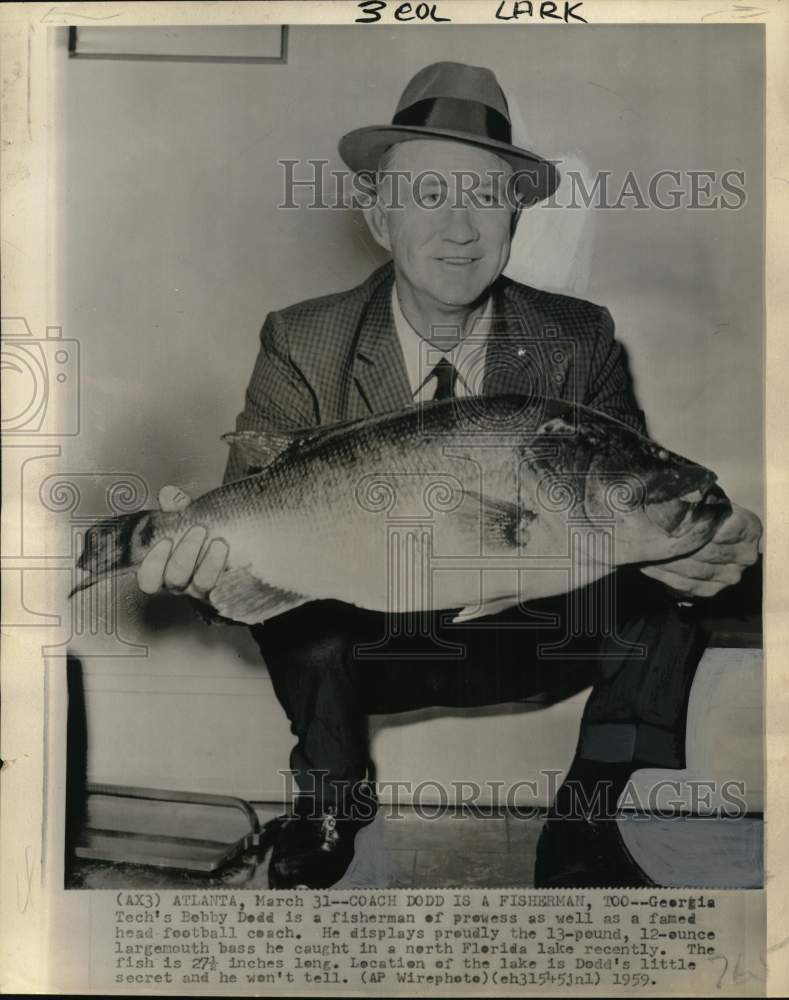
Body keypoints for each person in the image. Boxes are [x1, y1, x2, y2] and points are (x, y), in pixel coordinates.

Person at [137, 62, 761, 889]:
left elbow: (633, 493)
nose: (459, 226)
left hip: (530, 633)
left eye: (486, 196)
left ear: (513, 217)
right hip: (367, 641)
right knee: (294, 603)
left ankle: (587, 820)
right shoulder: (303, 337)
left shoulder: (578, 338)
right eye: (427, 194)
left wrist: (699, 548)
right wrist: (197, 567)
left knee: (664, 603)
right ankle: (332, 796)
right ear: (378, 217)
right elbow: (256, 517)